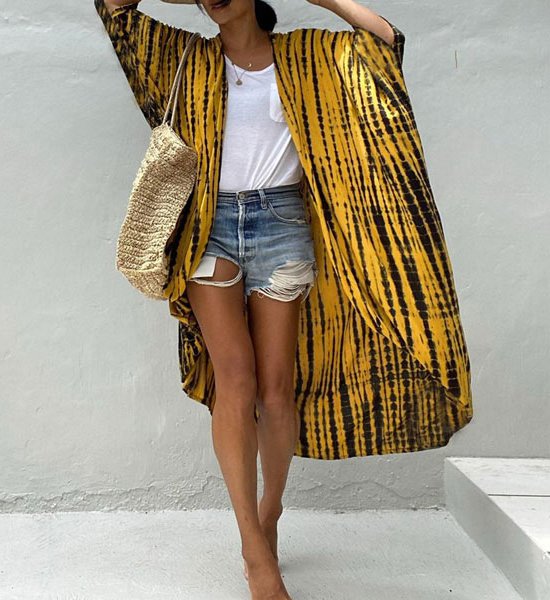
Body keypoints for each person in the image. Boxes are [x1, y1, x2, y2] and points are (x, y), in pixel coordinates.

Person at [94, 1, 474, 598]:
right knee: (236, 380)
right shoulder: (185, 56)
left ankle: (269, 511)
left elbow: (384, 42)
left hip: (282, 225)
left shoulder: (306, 56)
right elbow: (116, 12)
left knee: (276, 390)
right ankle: (253, 548)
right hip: (210, 229)